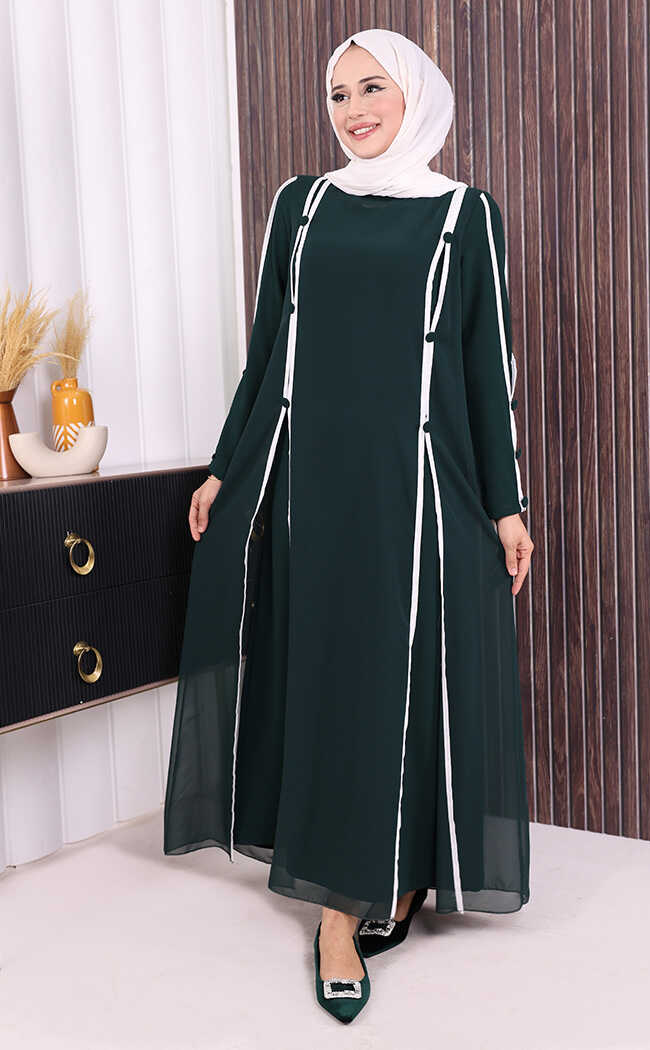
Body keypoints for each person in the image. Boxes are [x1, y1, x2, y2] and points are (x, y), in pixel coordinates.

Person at [163, 27, 534, 1023]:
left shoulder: (464, 215)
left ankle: (380, 887)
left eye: (373, 88)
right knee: (333, 677)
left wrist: (507, 506)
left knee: (403, 683)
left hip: (421, 491)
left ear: (415, 95)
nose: (355, 109)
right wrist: (224, 467)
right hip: (314, 490)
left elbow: (484, 370)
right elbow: (265, 354)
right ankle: (345, 904)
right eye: (338, 94)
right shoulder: (303, 204)